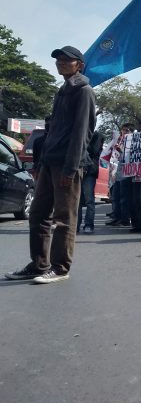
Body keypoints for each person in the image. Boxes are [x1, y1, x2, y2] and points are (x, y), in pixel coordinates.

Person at [6, 46, 96, 284]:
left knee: (64, 217)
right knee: (37, 214)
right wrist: (41, 162)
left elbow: (81, 133)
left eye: (67, 60)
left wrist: (70, 167)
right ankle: (39, 264)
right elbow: (53, 130)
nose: (60, 63)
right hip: (49, 161)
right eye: (58, 60)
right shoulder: (63, 90)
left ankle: (60, 267)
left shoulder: (83, 91)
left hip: (67, 164)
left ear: (80, 65)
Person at [77, 130, 104, 234]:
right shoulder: (78, 133)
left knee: (89, 200)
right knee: (77, 200)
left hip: (89, 172)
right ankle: (76, 225)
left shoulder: (97, 135)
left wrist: (81, 142)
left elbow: (95, 151)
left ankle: (89, 224)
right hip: (77, 170)